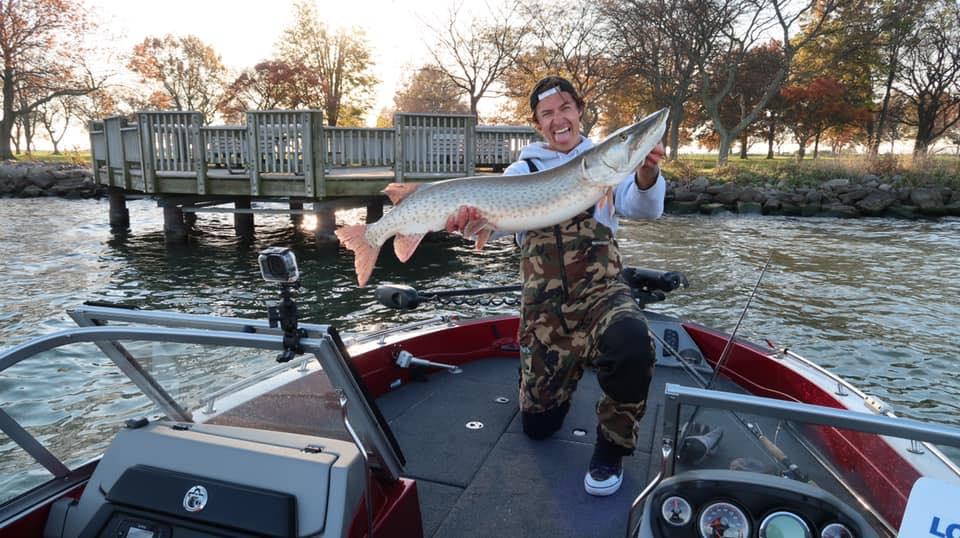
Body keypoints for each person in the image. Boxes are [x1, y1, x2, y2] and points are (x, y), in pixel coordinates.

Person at [446, 76, 666, 496]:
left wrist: (647, 171)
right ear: (538, 124)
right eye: (547, 113)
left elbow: (646, 208)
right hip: (545, 311)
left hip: (603, 297)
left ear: (579, 111)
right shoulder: (521, 170)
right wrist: (466, 223)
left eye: (565, 108)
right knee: (539, 428)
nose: (558, 119)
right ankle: (543, 383)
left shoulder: (606, 162)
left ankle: (611, 448)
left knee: (633, 340)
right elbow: (488, 229)